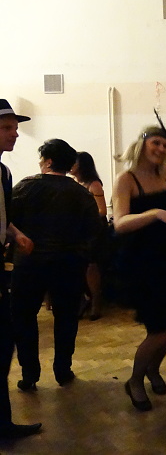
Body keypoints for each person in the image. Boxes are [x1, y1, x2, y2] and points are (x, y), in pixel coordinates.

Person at [112, 121, 166, 412]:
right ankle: (134, 380)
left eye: (165, 144)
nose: (161, 148)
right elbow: (120, 223)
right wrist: (157, 213)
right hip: (141, 263)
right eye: (156, 142)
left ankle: (153, 370)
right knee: (158, 328)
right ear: (142, 143)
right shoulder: (126, 179)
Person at [11, 139, 101, 392]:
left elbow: (8, 220)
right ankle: (63, 370)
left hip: (29, 262)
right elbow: (93, 231)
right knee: (66, 318)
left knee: (24, 317)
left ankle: (29, 374)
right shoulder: (81, 193)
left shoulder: (26, 186)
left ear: (48, 161)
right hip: (68, 263)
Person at [0, 99, 41, 439]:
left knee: (4, 343)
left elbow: (3, 216)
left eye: (14, 128)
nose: (14, 134)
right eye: (6, 128)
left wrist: (16, 233)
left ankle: (4, 423)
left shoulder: (3, 172)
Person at [70, 151, 107, 320]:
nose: (71, 165)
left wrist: (82, 218)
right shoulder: (75, 183)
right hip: (80, 230)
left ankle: (95, 301)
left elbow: (102, 211)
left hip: (93, 230)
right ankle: (83, 298)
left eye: (74, 162)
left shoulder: (94, 184)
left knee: (91, 265)